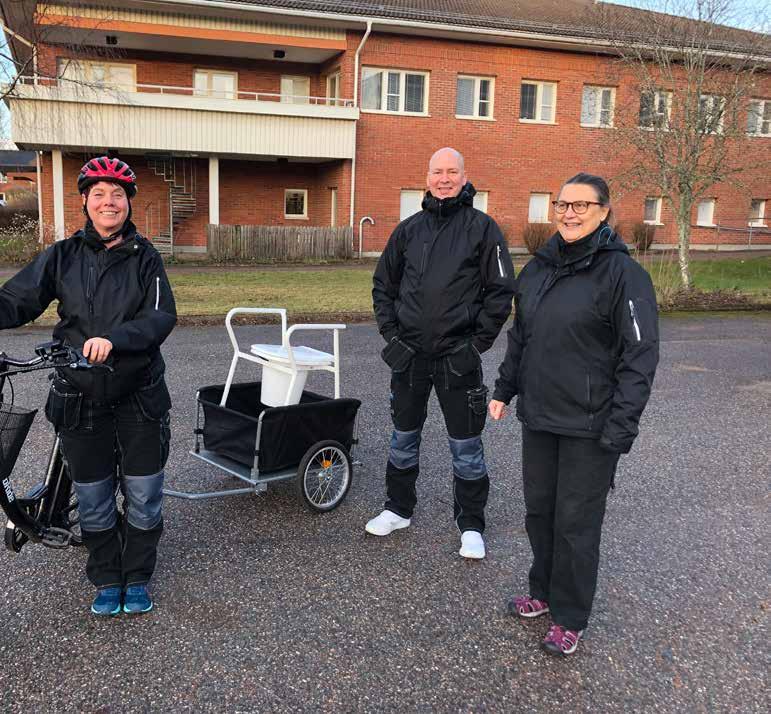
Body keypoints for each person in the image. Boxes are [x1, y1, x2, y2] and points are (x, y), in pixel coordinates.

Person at [489, 173, 659, 655]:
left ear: (604, 211)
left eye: (582, 205)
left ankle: (570, 616)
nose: (569, 213)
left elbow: (639, 356)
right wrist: (505, 388)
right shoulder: (539, 269)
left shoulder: (625, 276)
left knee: (575, 524)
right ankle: (542, 593)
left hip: (591, 426)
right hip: (540, 418)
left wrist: (622, 426)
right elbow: (521, 336)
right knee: (540, 515)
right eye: (563, 204)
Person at [0, 156, 177, 616]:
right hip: (80, 396)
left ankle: (136, 575)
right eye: (98, 194)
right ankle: (105, 576)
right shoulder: (62, 255)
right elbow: (17, 300)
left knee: (143, 493)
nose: (108, 201)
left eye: (117, 194)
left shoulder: (146, 258)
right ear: (85, 201)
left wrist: (114, 340)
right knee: (95, 496)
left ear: (128, 204)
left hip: (139, 393)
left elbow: (160, 317)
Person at [367, 147, 515, 558]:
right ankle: (397, 509)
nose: (444, 179)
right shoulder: (408, 230)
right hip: (409, 357)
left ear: (466, 177)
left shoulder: (484, 230)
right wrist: (391, 336)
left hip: (457, 360)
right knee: (402, 439)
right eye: (437, 171)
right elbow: (383, 286)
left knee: (466, 447)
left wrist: (476, 345)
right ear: (427, 176)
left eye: (452, 172)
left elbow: (501, 294)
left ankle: (471, 525)